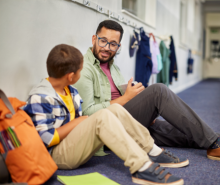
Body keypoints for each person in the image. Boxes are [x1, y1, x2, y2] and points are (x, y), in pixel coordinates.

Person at [23, 44, 188, 185]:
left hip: (73, 144)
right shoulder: (40, 97)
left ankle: (152, 150)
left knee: (115, 110)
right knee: (102, 116)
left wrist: (82, 123)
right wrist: (78, 122)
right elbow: (46, 139)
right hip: (56, 156)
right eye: (80, 71)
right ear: (71, 76)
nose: (81, 74)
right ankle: (141, 167)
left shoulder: (71, 91)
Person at [74, 20, 220, 161]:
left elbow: (122, 99)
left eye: (113, 44)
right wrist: (125, 99)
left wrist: (143, 106)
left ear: (118, 46)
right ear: (94, 39)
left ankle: (214, 140)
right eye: (103, 41)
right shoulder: (84, 69)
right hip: (107, 131)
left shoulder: (113, 67)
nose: (107, 47)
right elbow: (87, 114)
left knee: (182, 129)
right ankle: (213, 143)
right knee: (158, 91)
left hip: (126, 120)